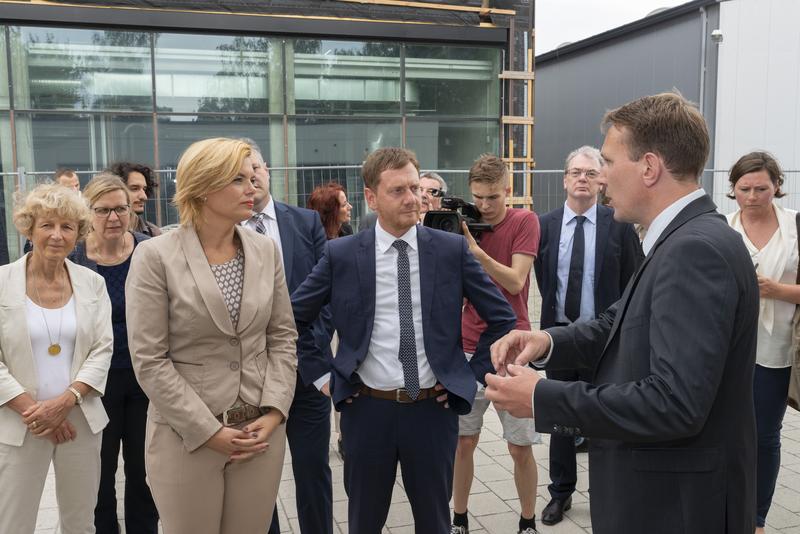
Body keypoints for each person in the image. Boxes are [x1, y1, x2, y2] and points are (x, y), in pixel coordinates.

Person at [486, 92, 759, 533]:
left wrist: (542, 397)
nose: (601, 178)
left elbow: (674, 403)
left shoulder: (693, 249)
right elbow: (620, 319)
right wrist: (548, 341)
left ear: (649, 167)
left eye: (609, 163)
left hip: (675, 509)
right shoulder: (678, 238)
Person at [291, 147, 517, 533]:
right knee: (364, 521)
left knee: (434, 521)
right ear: (372, 197)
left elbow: (502, 318)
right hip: (366, 410)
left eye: (415, 187)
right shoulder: (341, 254)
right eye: (398, 190)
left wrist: (468, 375)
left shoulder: (450, 250)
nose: (413, 198)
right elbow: (292, 319)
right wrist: (321, 375)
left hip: (432, 411)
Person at [126, 137, 298, 534]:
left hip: (259, 436)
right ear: (203, 187)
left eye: (252, 177)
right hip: (187, 437)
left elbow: (283, 337)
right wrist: (208, 431)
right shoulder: (155, 257)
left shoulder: (265, 251)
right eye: (238, 179)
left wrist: (274, 411)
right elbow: (150, 360)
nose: (252, 187)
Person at [534, 146, 643, 526]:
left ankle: (607, 494)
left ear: (601, 180)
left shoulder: (620, 225)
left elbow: (635, 280)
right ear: (564, 180)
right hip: (559, 338)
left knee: (603, 420)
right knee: (560, 419)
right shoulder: (544, 224)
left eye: (590, 172)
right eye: (575, 172)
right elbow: (540, 279)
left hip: (604, 341)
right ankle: (560, 493)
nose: (582, 178)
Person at [0, 183, 113, 534]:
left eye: (67, 226)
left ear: (78, 233)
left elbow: (102, 348)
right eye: (47, 224)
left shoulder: (92, 283)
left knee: (80, 522)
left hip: (79, 420)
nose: (56, 235)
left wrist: (64, 403)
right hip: (20, 423)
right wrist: (39, 413)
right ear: (29, 228)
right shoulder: (1, 282)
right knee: (13, 522)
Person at [238, 140, 334, 534]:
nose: (252, 179)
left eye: (256, 168)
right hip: (252, 377)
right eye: (239, 175)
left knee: (313, 470)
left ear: (268, 171)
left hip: (308, 370)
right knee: (260, 476)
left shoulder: (305, 222)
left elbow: (329, 292)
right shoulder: (224, 231)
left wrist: (315, 350)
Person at [452, 154, 541, 534]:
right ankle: (459, 518)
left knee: (520, 447)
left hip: (513, 347)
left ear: (508, 191)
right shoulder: (464, 224)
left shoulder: (525, 221)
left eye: (492, 198)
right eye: (478, 198)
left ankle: (527, 521)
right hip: (468, 347)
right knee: (463, 442)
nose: (484, 206)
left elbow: (516, 282)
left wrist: (476, 253)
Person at [69, 174, 158, 534]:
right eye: (103, 210)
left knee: (144, 469)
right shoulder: (74, 258)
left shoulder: (149, 251)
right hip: (94, 382)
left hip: (143, 378)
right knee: (98, 471)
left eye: (120, 208)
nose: (113, 217)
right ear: (88, 213)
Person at [725, 151, 798, 534]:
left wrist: (776, 289)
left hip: (776, 349)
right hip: (727, 348)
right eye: (744, 189)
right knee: (726, 431)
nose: (752, 196)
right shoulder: (722, 228)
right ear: (733, 189)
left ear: (777, 187)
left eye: (762, 189)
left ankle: (755, 518)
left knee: (765, 435)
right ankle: (724, 505)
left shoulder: (796, 228)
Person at [359, 171, 447, 231]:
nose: (423, 195)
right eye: (419, 189)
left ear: (441, 200)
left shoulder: (447, 225)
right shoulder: (372, 221)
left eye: (431, 192)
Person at [107, 161, 162, 237]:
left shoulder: (153, 233)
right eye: (134, 189)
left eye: (145, 189)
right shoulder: (90, 232)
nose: (144, 196)